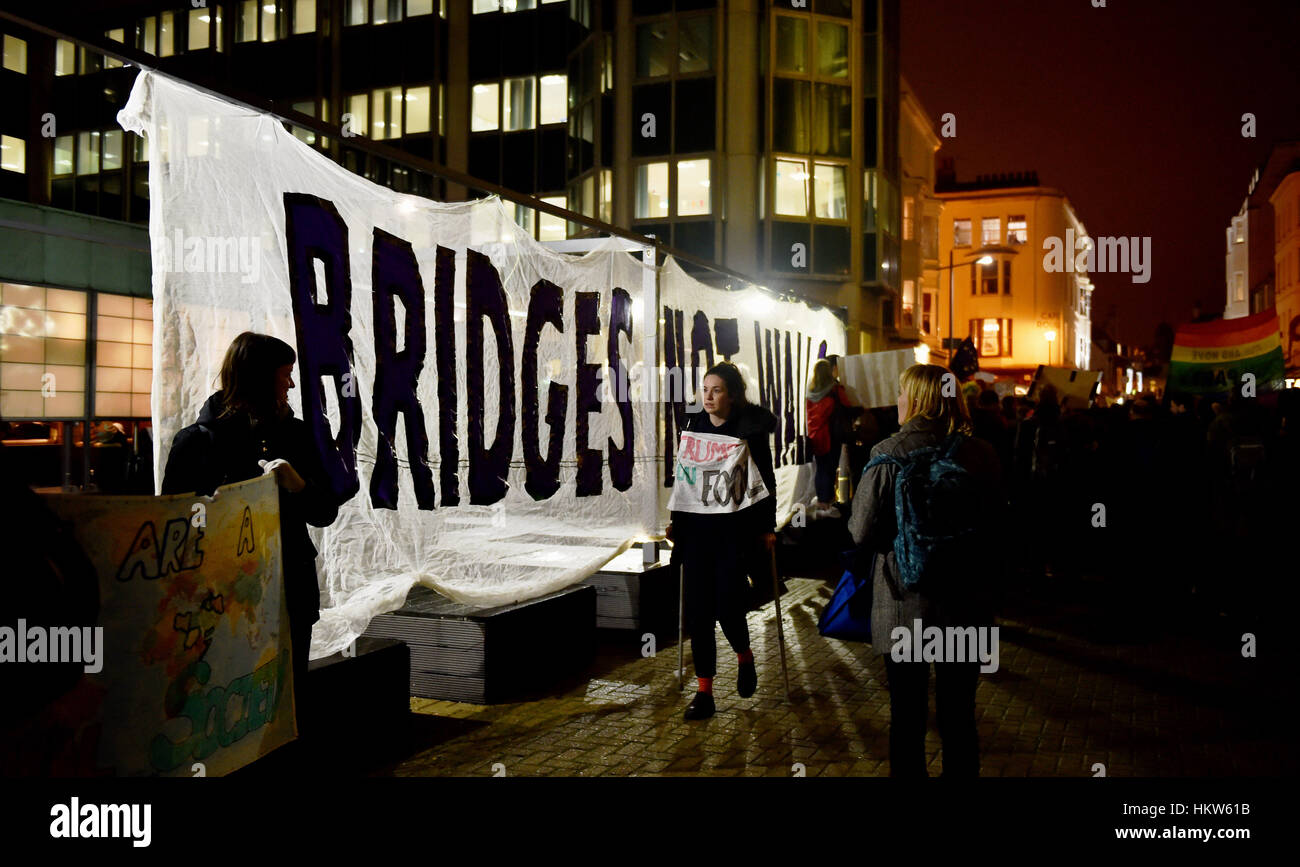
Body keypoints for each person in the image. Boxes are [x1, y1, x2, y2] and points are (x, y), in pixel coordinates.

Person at [161, 332, 338, 734]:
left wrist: (298, 484)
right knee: (225, 703)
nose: (291, 385)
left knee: (288, 699)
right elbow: (175, 531)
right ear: (260, 379)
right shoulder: (195, 444)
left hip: (288, 590)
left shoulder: (296, 435)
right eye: (285, 375)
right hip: (221, 601)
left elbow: (325, 511)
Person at [848, 363, 1002, 776]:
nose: (897, 401)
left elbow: (860, 531)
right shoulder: (981, 454)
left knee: (908, 716)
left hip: (904, 604)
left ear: (916, 399)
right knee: (959, 717)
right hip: (966, 605)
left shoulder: (887, 453)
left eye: (902, 393)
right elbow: (999, 526)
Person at [665, 361, 778, 720]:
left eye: (716, 390)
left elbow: (765, 482)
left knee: (728, 607)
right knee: (699, 613)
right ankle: (704, 692)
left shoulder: (748, 430)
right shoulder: (692, 426)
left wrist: (768, 528)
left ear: (731, 395)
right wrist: (675, 523)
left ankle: (744, 656)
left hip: (732, 531)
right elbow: (684, 479)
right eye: (705, 389)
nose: (708, 396)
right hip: (697, 532)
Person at [806, 357, 855, 517]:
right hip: (831, 436)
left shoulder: (811, 392)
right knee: (830, 468)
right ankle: (826, 503)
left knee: (820, 468)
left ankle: (821, 500)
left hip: (815, 436)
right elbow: (848, 406)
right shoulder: (834, 390)